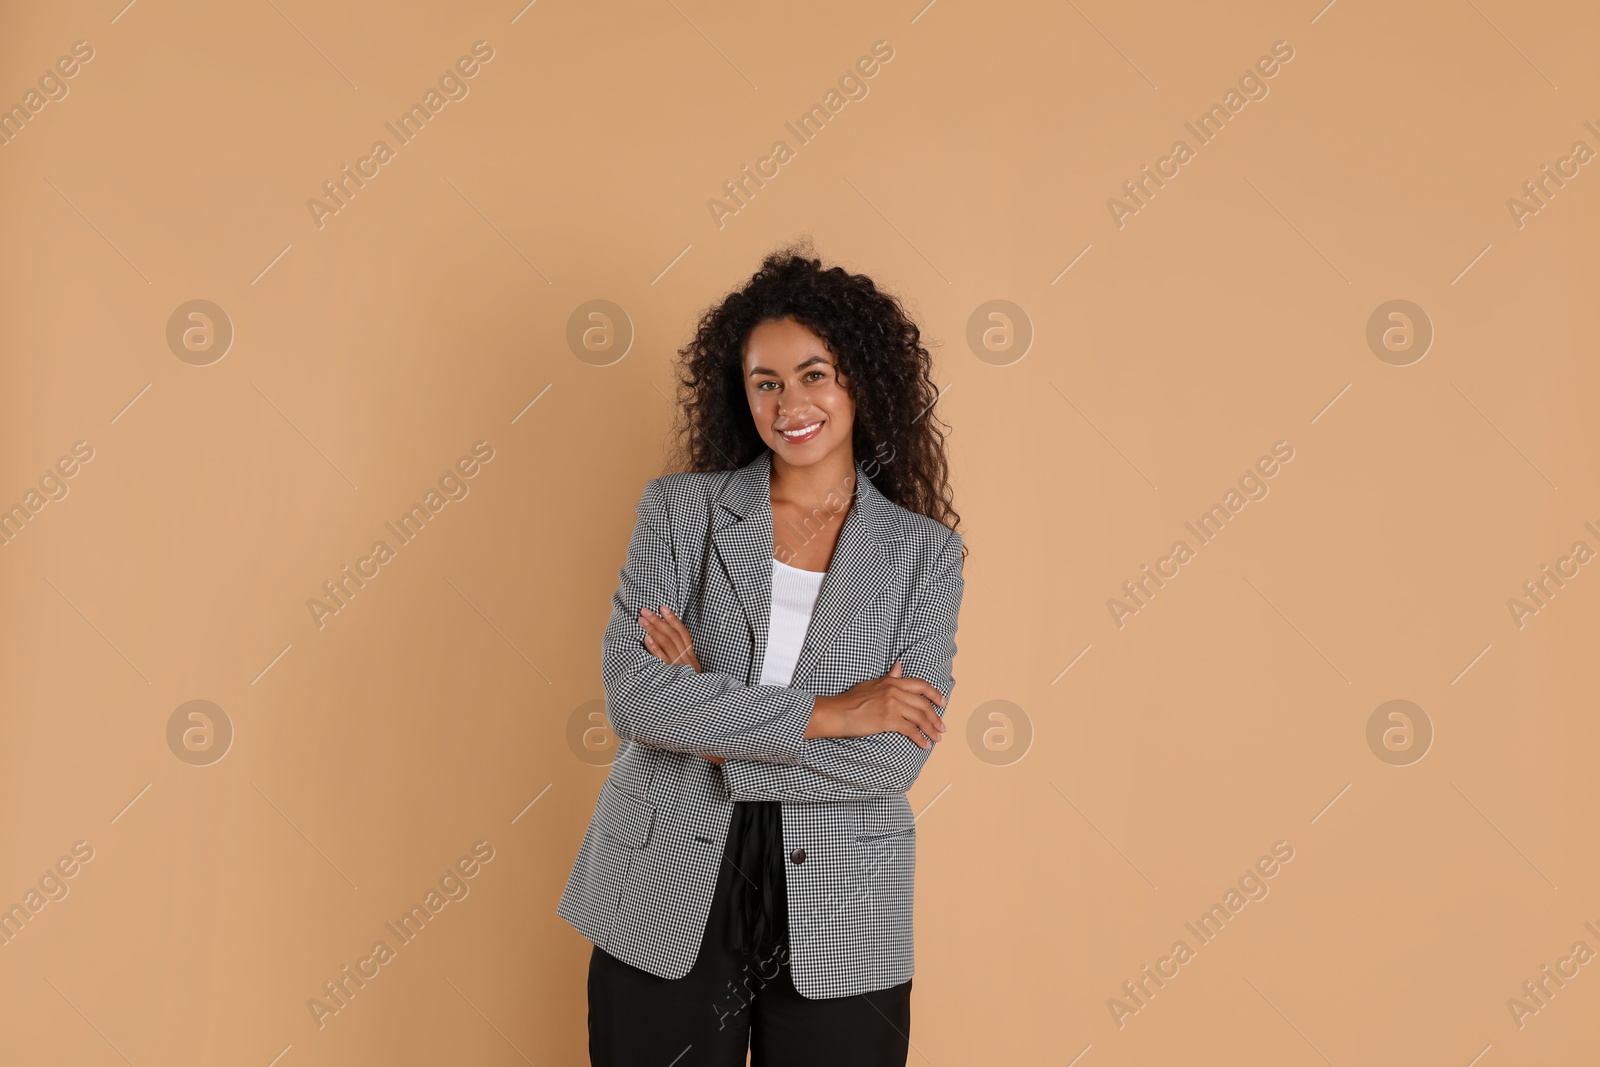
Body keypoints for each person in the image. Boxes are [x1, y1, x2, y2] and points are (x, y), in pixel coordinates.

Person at [558, 241, 967, 1066]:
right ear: (739, 392)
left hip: (845, 901)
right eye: (766, 382)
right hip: (663, 880)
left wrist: (706, 718)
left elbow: (890, 758)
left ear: (861, 380)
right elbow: (636, 698)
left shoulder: (926, 555)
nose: (791, 403)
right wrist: (835, 712)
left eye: (814, 374)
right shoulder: (680, 512)